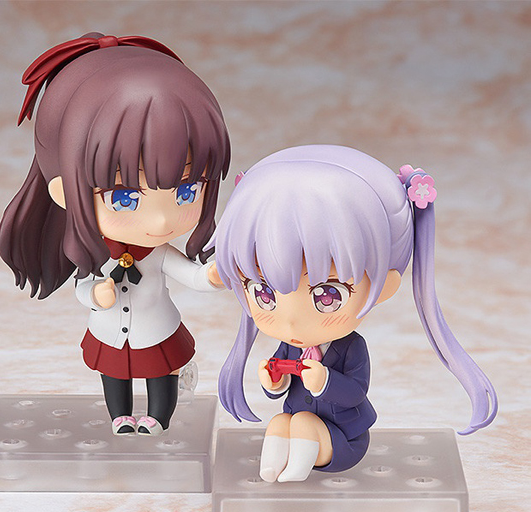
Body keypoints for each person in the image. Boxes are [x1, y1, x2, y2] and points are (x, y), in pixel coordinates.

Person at [209, 145, 497, 481]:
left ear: (385, 286)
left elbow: (356, 392)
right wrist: (274, 381)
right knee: (279, 421)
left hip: (344, 438)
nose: (291, 321)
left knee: (303, 423)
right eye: (263, 293)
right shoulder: (289, 346)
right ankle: (272, 469)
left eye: (327, 295)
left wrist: (324, 380)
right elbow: (280, 388)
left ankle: (297, 471)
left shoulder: (351, 347)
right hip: (300, 420)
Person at [0, 33, 230, 436]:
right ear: (63, 192)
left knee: (160, 373)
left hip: (157, 330)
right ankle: (120, 416)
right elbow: (83, 285)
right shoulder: (93, 251)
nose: (162, 221)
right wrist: (95, 295)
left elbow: (191, 275)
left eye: (187, 190)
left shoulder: (159, 254)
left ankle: (158, 417)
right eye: (124, 196)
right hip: (108, 332)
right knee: (113, 375)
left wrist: (211, 275)